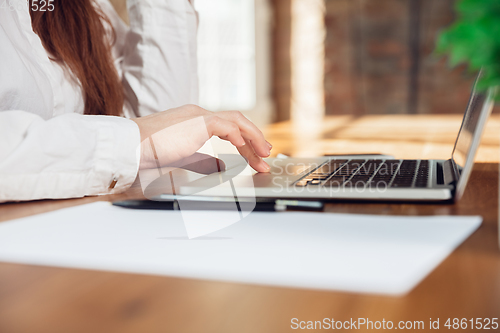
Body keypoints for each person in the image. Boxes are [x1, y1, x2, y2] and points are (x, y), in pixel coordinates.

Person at [0, 0, 271, 202]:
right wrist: (134, 139)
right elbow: (137, 137)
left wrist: (140, 141)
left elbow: (158, 124)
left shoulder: (85, 9)